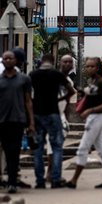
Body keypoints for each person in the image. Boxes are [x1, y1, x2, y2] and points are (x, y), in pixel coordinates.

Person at [65, 57, 102, 189]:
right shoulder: (92, 81)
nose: (88, 69)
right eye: (87, 66)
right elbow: (90, 94)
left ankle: (74, 180)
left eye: (91, 66)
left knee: (82, 149)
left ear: (97, 68)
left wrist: (89, 111)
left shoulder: (101, 83)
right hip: (95, 117)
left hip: (96, 117)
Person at [30, 54, 75, 189]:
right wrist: (61, 100)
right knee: (56, 147)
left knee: (38, 149)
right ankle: (55, 179)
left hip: (37, 114)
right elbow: (71, 91)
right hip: (53, 113)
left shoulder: (33, 74)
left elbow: (27, 94)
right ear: (54, 61)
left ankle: (39, 181)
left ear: (41, 62)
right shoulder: (57, 75)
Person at [0, 51, 35, 194]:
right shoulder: (0, 80)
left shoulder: (24, 79)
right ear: (2, 61)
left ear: (16, 61)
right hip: (2, 121)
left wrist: (31, 122)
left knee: (14, 152)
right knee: (4, 151)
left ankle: (12, 182)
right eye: (5, 58)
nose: (8, 60)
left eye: (11, 58)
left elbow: (28, 101)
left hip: (18, 120)